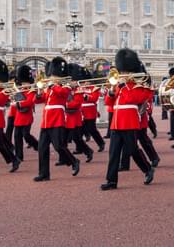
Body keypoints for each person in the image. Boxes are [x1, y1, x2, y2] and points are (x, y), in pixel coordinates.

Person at [101, 49, 155, 190]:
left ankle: (147, 169)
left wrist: (124, 86)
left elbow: (133, 99)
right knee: (113, 154)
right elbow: (108, 103)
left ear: (132, 72)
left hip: (129, 122)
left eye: (125, 72)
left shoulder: (138, 86)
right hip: (116, 123)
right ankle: (111, 181)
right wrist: (111, 92)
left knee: (132, 150)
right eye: (122, 72)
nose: (122, 74)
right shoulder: (118, 86)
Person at [33, 57, 81, 182]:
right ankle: (44, 173)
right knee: (42, 147)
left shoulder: (65, 87)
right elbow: (39, 100)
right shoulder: (49, 88)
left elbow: (63, 94)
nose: (51, 78)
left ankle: (74, 161)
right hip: (46, 120)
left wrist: (53, 85)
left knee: (59, 146)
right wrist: (38, 91)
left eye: (53, 76)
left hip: (57, 118)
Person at [65, 64, 94, 163]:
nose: (70, 82)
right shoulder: (67, 89)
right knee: (64, 139)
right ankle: (63, 158)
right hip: (66, 117)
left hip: (74, 117)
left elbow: (77, 103)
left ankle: (88, 151)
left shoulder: (79, 90)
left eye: (71, 80)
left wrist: (65, 104)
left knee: (76, 138)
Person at [10, 64, 39, 162]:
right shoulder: (19, 91)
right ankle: (19, 156)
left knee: (26, 135)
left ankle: (37, 145)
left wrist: (17, 103)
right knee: (17, 136)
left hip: (27, 117)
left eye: (26, 83)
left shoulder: (32, 91)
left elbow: (29, 102)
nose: (24, 85)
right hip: (19, 117)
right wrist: (13, 99)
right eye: (22, 83)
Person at [81, 79, 105, 153]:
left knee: (92, 129)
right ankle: (80, 147)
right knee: (79, 130)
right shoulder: (80, 88)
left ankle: (101, 143)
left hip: (90, 111)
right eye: (85, 81)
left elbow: (94, 99)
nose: (86, 83)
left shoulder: (94, 88)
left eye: (87, 81)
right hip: (81, 112)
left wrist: (86, 96)